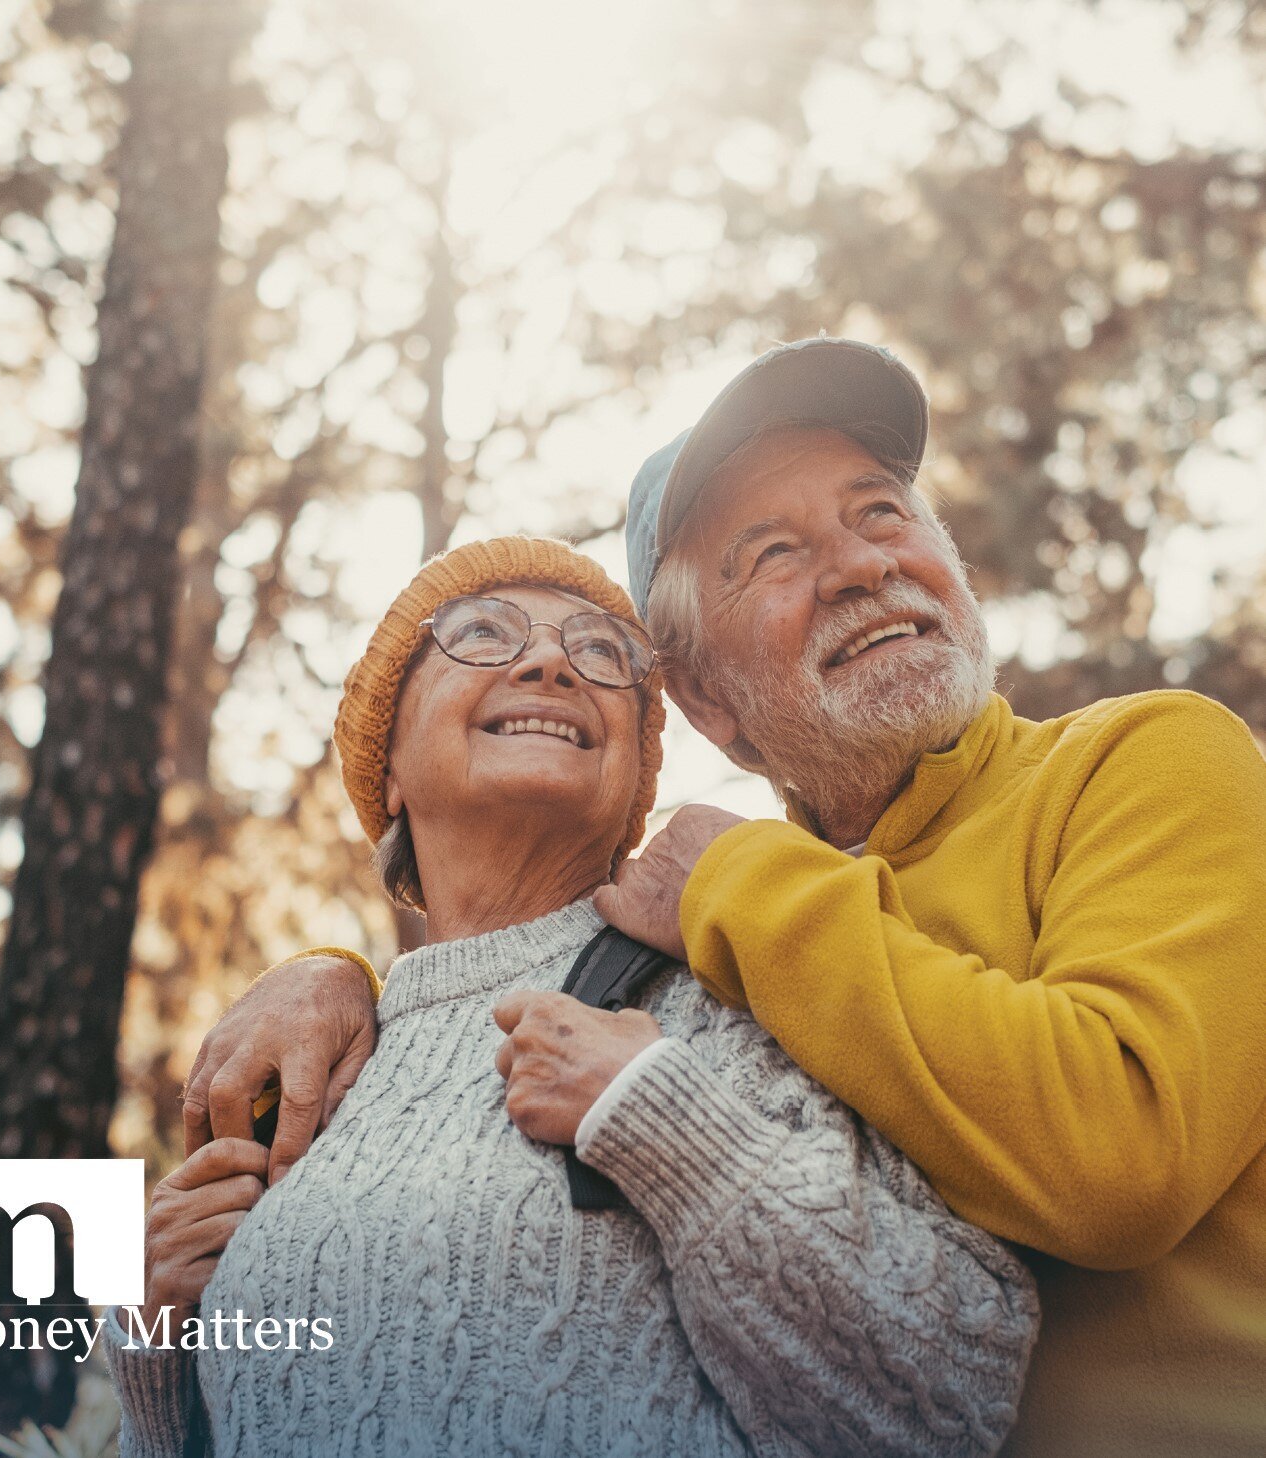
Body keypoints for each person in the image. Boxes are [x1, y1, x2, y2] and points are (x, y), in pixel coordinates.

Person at [189, 340, 1266, 1458]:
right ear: (706, 699)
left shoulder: (1146, 759)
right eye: (773, 552)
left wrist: (741, 883)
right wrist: (337, 982)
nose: (859, 566)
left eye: (883, 513)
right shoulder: (713, 952)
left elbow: (1124, 1161)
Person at [107, 536, 1039, 1458]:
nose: (552, 660)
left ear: (636, 774)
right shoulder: (300, 1078)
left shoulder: (733, 1000)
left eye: (602, 654)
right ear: (385, 764)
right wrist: (153, 1368)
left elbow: (954, 1397)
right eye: (480, 633)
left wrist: (672, 1126)